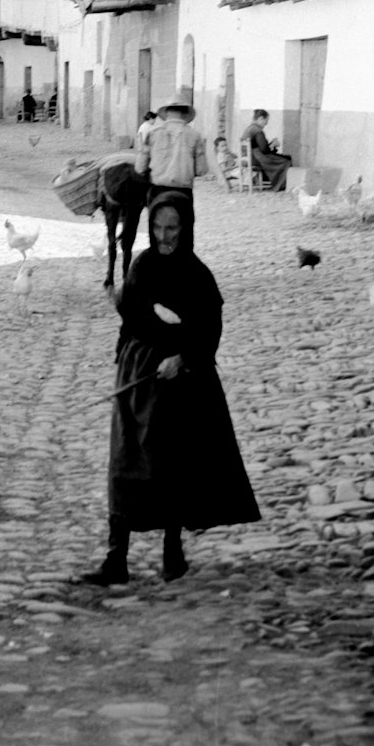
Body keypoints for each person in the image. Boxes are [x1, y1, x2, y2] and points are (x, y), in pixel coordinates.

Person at [81, 192, 260, 586]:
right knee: (125, 462)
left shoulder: (197, 276)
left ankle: (172, 551)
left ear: (186, 229)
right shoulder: (143, 263)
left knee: (169, 463)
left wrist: (182, 359)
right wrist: (120, 306)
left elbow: (209, 333)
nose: (164, 236)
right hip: (135, 378)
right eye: (158, 228)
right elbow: (133, 316)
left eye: (172, 229)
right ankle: (116, 558)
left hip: (176, 382)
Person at [136, 90, 209, 212]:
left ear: (167, 112)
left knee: (154, 226)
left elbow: (139, 167)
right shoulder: (195, 135)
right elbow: (201, 170)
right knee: (187, 228)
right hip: (183, 190)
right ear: (185, 114)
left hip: (158, 189)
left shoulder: (152, 133)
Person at [241, 109, 291, 191]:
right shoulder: (257, 130)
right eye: (266, 121)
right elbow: (264, 150)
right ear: (260, 119)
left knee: (283, 158)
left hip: (249, 157)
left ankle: (276, 183)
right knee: (286, 161)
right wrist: (273, 144)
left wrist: (271, 144)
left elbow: (261, 147)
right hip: (255, 159)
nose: (266, 123)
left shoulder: (250, 128)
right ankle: (279, 185)